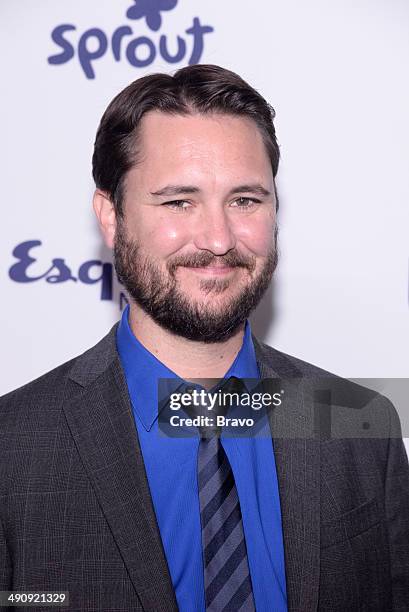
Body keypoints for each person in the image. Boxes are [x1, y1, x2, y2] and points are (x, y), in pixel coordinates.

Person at [0, 64, 408, 612]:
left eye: (244, 200)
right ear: (111, 217)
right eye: (178, 202)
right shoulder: (12, 450)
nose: (218, 239)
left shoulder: (364, 427)